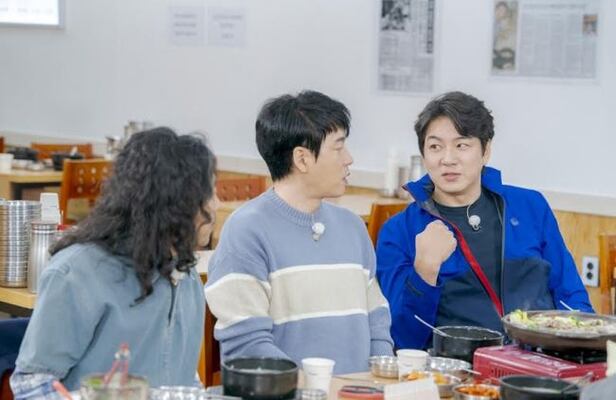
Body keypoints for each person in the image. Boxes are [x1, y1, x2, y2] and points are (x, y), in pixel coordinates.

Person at [376, 91, 593, 350]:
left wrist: (583, 347)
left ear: (485, 151)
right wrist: (425, 270)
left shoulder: (529, 207)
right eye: (435, 147)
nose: (448, 159)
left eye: (462, 145)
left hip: (540, 361)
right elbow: (403, 338)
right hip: (457, 365)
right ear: (423, 156)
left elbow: (570, 295)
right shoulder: (399, 231)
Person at [11, 128, 219, 397]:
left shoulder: (185, 274)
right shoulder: (77, 274)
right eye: (210, 193)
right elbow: (31, 388)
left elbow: (182, 378)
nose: (217, 205)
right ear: (173, 202)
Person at [205, 90, 394, 374]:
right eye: (338, 147)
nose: (349, 158)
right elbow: (247, 345)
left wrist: (379, 380)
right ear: (302, 159)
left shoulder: (353, 227)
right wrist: (317, 388)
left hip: (359, 391)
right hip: (288, 392)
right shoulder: (246, 231)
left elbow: (377, 320)